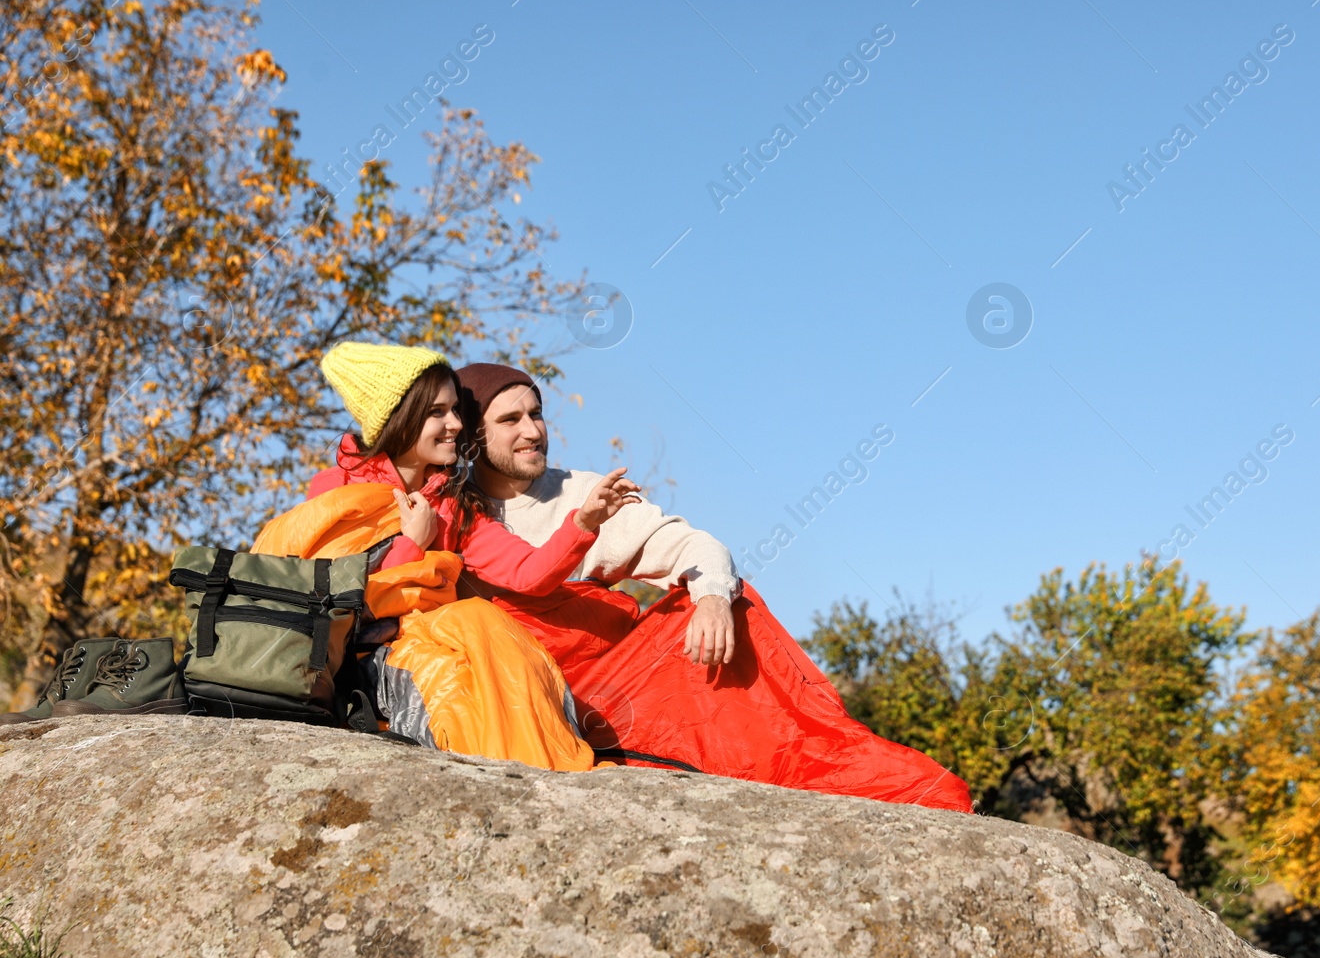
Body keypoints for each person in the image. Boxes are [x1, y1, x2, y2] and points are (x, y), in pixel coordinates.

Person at [455, 362, 973, 812]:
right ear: (474, 436)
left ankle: (841, 764)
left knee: (736, 606)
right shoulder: (452, 508)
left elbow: (694, 546)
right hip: (539, 698)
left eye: (536, 414)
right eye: (510, 420)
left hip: (613, 676)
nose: (533, 431)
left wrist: (710, 600)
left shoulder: (583, 491)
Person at [265, 341, 635, 770]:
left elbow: (528, 572)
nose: (456, 424)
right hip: (358, 663)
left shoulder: (453, 505)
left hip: (437, 643)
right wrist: (412, 544)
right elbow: (335, 600)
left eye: (456, 410)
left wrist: (583, 523)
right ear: (399, 419)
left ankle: (550, 771)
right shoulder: (336, 492)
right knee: (455, 664)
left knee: (485, 622)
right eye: (437, 412)